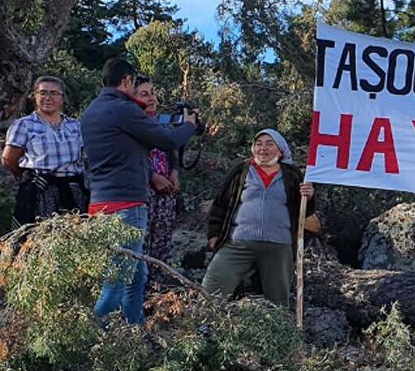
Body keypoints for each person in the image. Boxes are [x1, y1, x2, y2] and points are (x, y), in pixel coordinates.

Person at [81, 58, 199, 325]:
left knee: (137, 276)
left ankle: (135, 335)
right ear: (126, 81)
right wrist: (189, 124)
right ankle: (94, 343)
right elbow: (168, 139)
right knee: (116, 282)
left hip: (100, 202)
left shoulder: (91, 111)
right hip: (126, 205)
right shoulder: (123, 109)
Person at [203, 129, 316, 307]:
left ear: (280, 151)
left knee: (278, 301)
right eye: (259, 144)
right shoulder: (241, 171)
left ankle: (278, 333)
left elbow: (304, 212)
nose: (263, 148)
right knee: (212, 289)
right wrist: (214, 234)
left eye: (270, 144)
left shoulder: (292, 175)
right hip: (237, 243)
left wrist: (309, 197)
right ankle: (203, 329)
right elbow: (221, 204)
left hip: (278, 247)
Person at [2, 76, 88, 226]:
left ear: (62, 98)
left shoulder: (75, 126)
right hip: (40, 191)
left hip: (72, 190)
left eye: (54, 93)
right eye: (43, 93)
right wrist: (26, 176)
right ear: (35, 96)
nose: (48, 98)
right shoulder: (24, 125)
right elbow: (8, 159)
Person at [133, 76, 181, 268]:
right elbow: (132, 157)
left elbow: (172, 152)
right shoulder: (130, 123)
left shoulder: (162, 123)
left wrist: (175, 173)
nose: (152, 98)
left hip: (165, 192)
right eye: (144, 94)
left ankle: (156, 291)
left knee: (161, 244)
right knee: (140, 245)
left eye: (153, 93)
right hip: (141, 191)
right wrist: (153, 176)